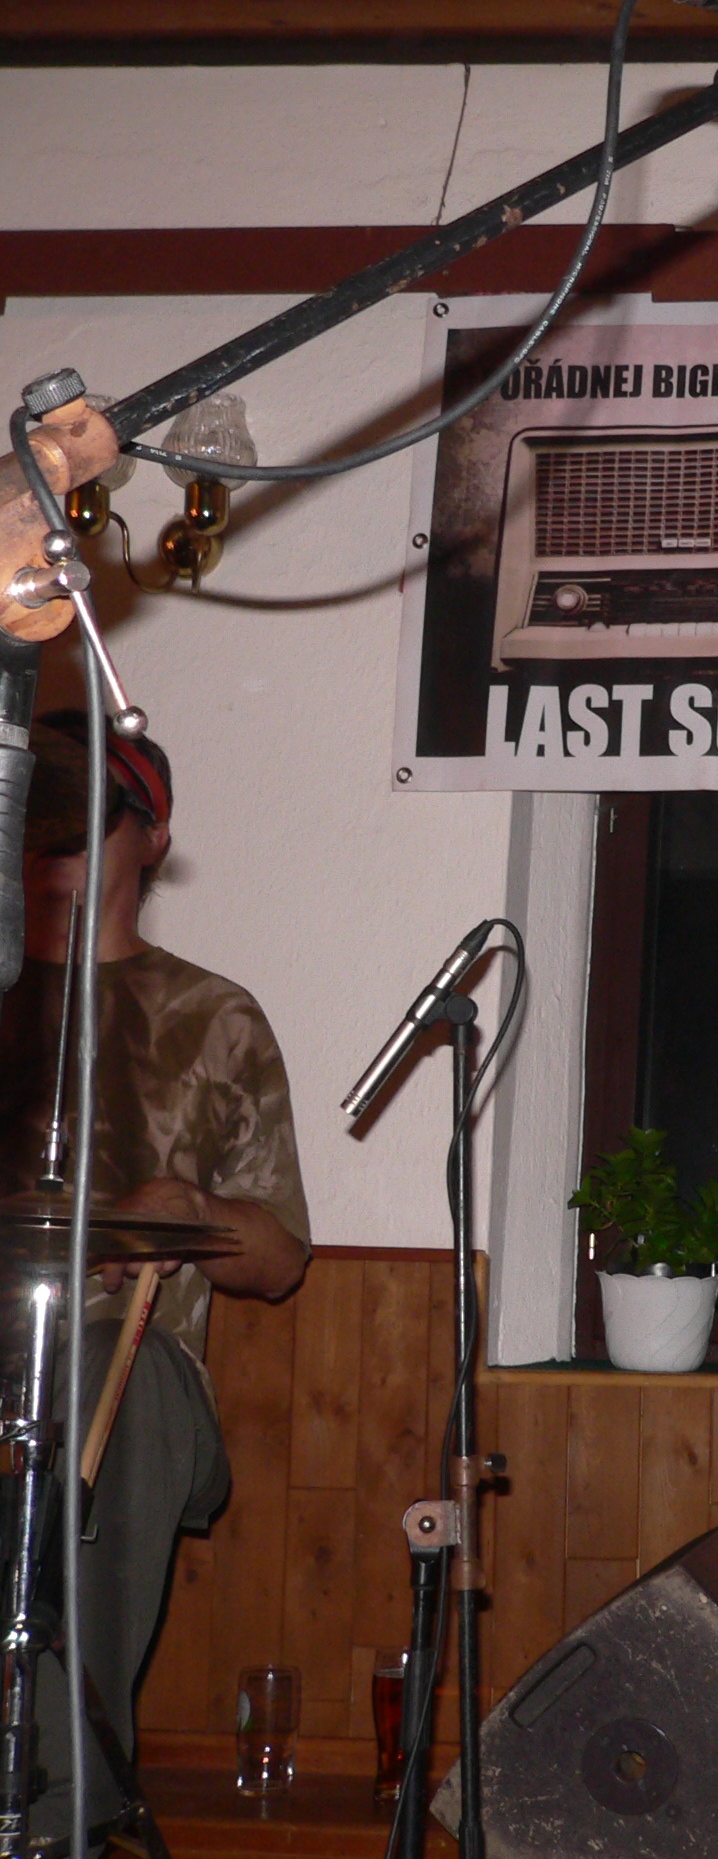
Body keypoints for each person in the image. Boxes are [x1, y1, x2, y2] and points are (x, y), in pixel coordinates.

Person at [0, 713, 311, 1834]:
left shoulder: (215, 1018)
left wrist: (199, 1212)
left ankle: (59, 1804)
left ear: (153, 835)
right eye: (40, 809)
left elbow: (279, 1261)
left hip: (132, 1374)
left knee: (105, 1375)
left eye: (88, 811)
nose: (58, 835)